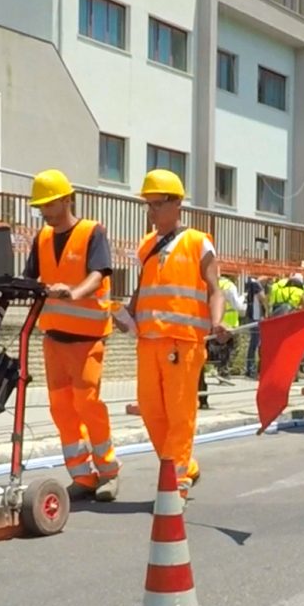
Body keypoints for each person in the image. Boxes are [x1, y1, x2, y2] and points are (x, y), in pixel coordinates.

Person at [129, 169, 228, 500]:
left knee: (179, 414)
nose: (151, 212)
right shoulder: (145, 245)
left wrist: (217, 321)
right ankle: (185, 467)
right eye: (148, 205)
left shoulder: (199, 242)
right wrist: (126, 315)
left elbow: (215, 288)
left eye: (156, 204)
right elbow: (141, 290)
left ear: (176, 205)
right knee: (150, 409)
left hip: (183, 342)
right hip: (148, 340)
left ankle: (177, 483)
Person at [22, 168, 120, 503]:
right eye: (41, 207)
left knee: (87, 404)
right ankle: (82, 476)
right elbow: (30, 278)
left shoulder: (92, 232)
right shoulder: (42, 238)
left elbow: (99, 274)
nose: (45, 213)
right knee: (61, 409)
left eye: (50, 205)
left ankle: (107, 472)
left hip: (87, 339)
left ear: (67, 199)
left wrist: (74, 292)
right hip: (54, 339)